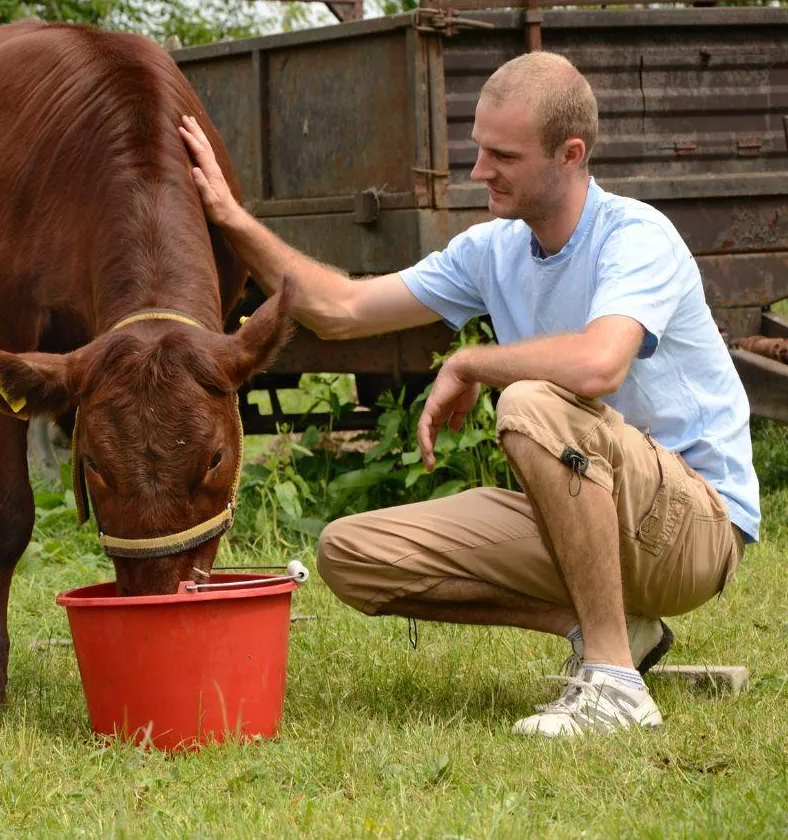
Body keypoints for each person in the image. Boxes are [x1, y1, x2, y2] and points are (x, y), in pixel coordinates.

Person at [179, 51, 758, 737]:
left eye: (503, 156)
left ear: (569, 155)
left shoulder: (635, 238)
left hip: (694, 528)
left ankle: (612, 684)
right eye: (479, 149)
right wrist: (230, 217)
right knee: (351, 553)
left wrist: (477, 361)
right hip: (588, 514)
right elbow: (339, 308)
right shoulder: (491, 250)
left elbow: (600, 364)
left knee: (530, 401)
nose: (480, 171)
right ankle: (616, 631)